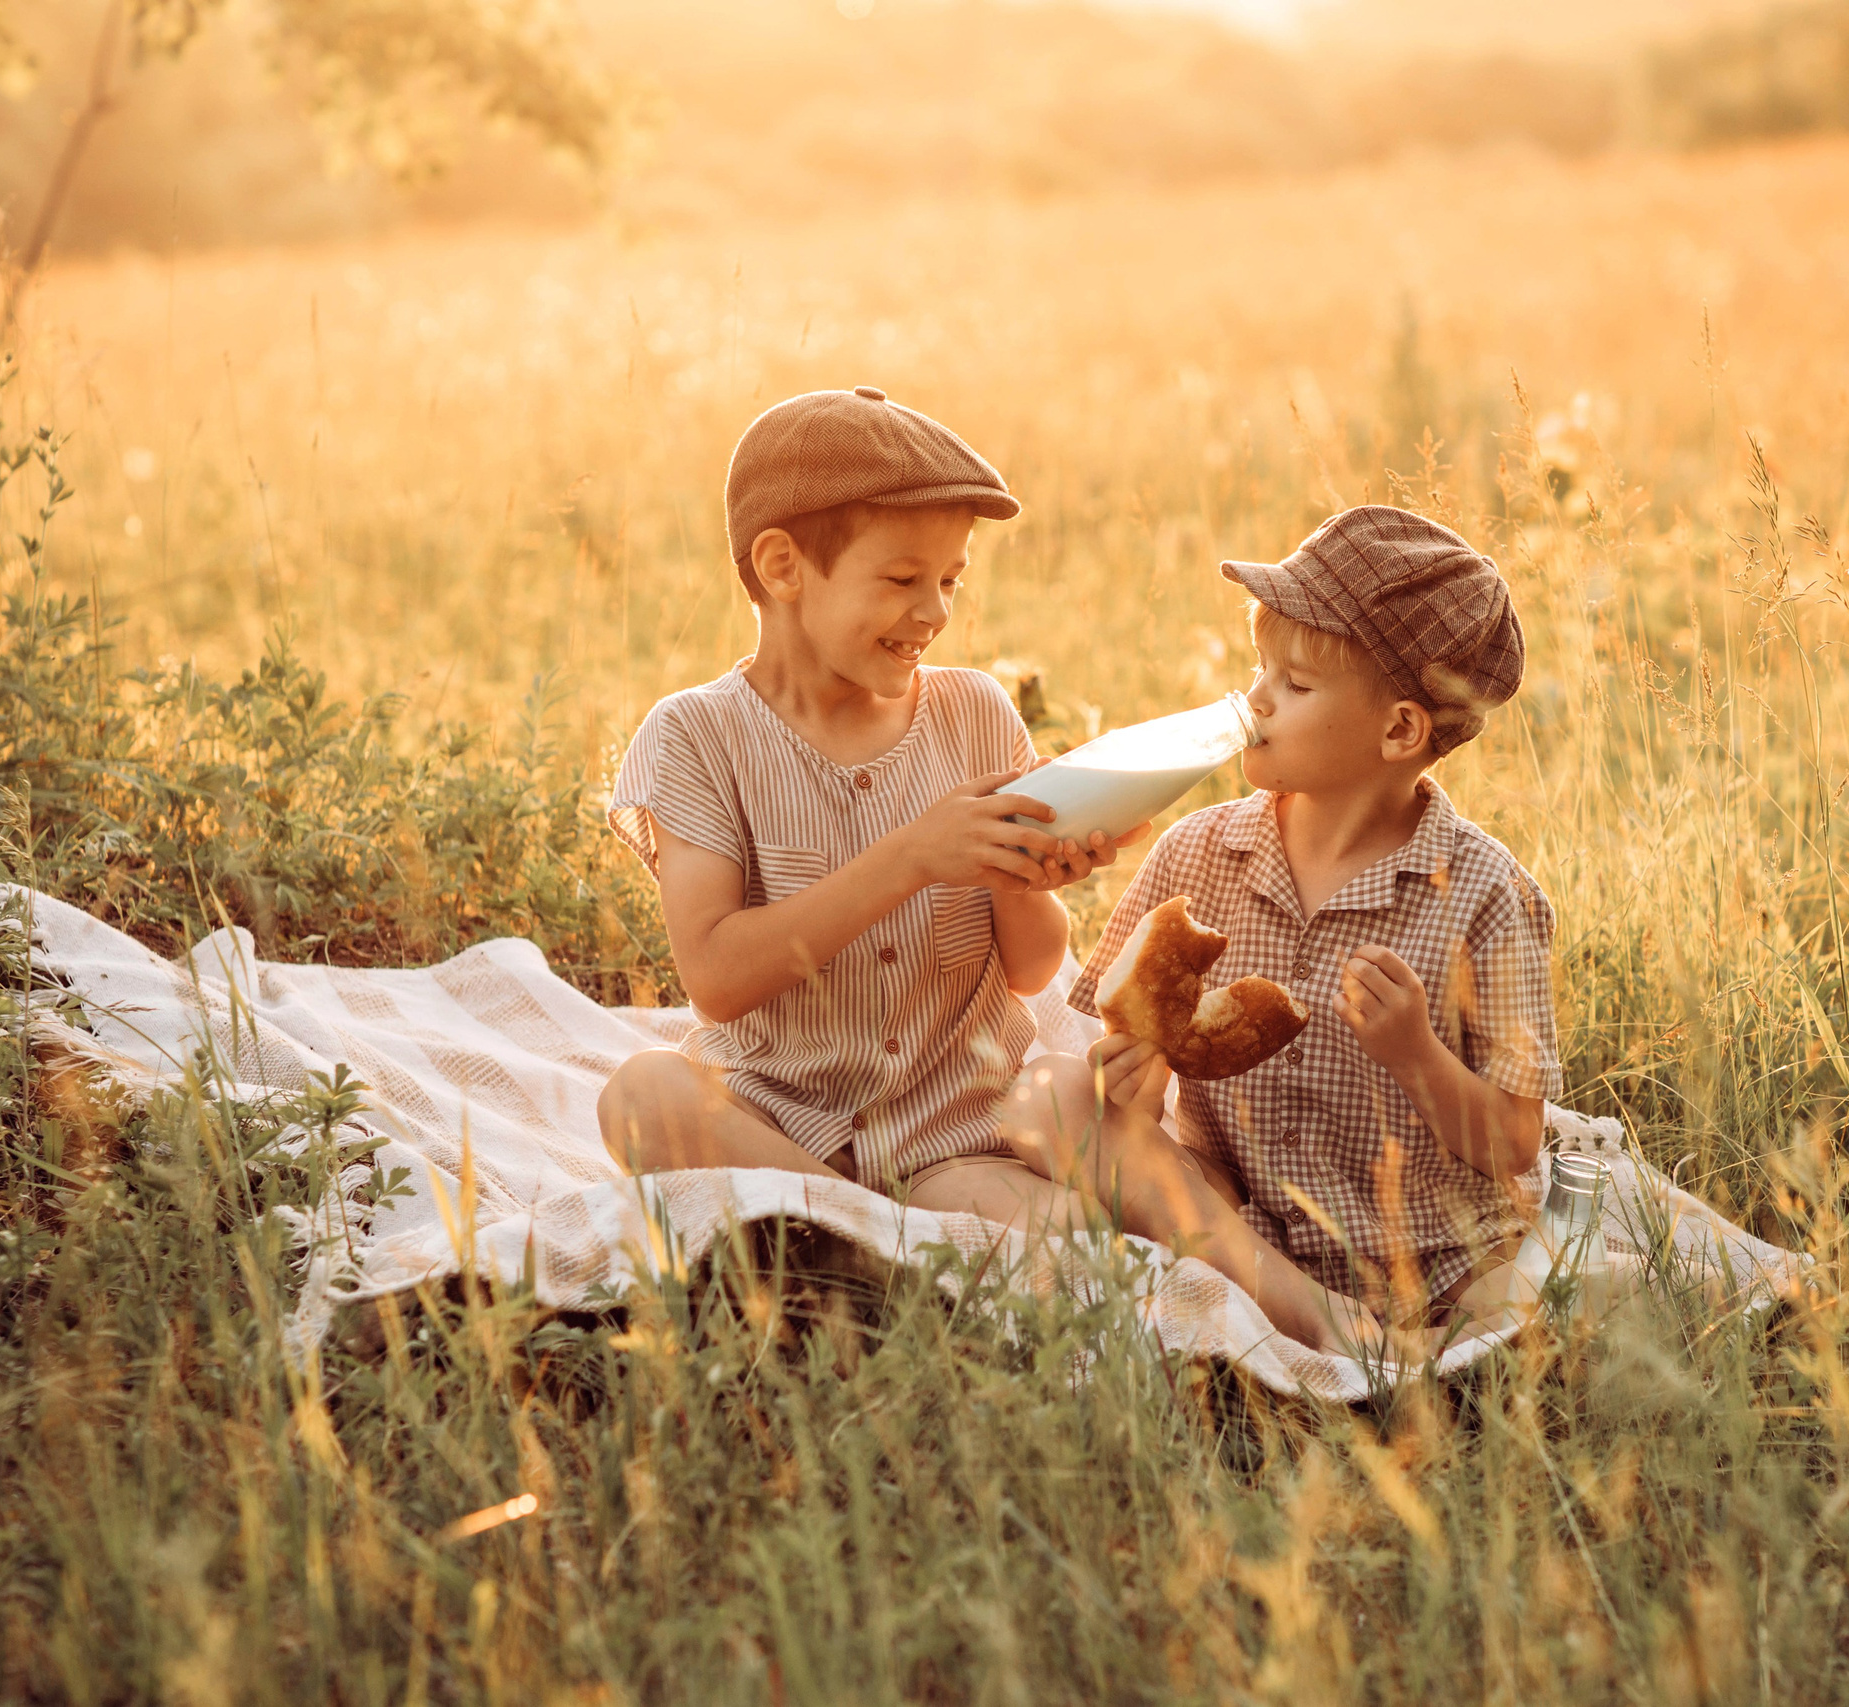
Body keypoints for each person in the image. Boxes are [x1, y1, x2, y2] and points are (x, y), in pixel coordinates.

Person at [599, 386, 1399, 1354]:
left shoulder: (973, 711)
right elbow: (718, 979)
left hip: (956, 1128)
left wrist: (1017, 874)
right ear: (781, 567)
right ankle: (877, 1238)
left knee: (1075, 1113)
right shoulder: (695, 736)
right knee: (643, 1096)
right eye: (901, 579)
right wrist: (912, 856)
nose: (932, 611)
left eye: (951, 581)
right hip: (783, 1121)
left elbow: (1028, 970)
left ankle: (1305, 1311)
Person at [1061, 505, 1559, 1328]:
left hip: (1433, 1255)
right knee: (1062, 1107)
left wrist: (1418, 1056)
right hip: (1241, 1232)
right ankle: (1307, 1319)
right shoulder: (1195, 855)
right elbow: (1123, 1067)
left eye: (1294, 685)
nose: (1255, 699)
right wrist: (1132, 1093)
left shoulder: (1486, 898)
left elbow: (1512, 1142)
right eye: (1259, 668)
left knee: (1526, 1314)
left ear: (1399, 729)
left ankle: (1414, 1350)